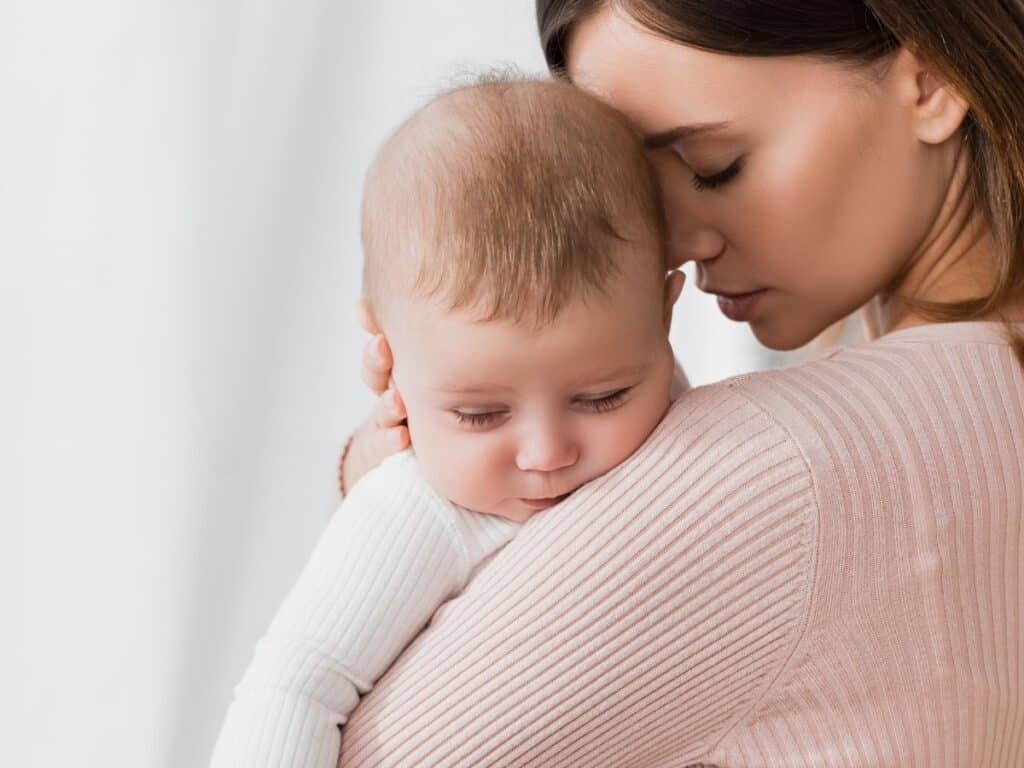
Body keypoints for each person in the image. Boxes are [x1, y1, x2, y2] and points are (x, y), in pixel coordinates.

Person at [335, 2, 1024, 766]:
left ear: (931, 80)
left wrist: (401, 477)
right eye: (642, 193)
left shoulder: (780, 471)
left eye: (712, 167)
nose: (681, 245)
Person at [209, 75, 690, 767]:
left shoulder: (691, 420)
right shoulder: (416, 514)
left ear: (666, 315)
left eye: (603, 397)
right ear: (388, 356)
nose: (546, 452)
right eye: (480, 414)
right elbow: (294, 687)